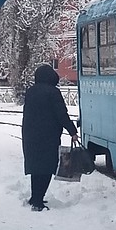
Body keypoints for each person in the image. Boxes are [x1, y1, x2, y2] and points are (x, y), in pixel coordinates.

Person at [22, 64, 78, 212]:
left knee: (36, 168)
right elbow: (61, 115)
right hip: (48, 136)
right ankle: (38, 202)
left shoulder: (30, 92)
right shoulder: (53, 92)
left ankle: (35, 197)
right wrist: (72, 131)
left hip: (30, 135)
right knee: (47, 167)